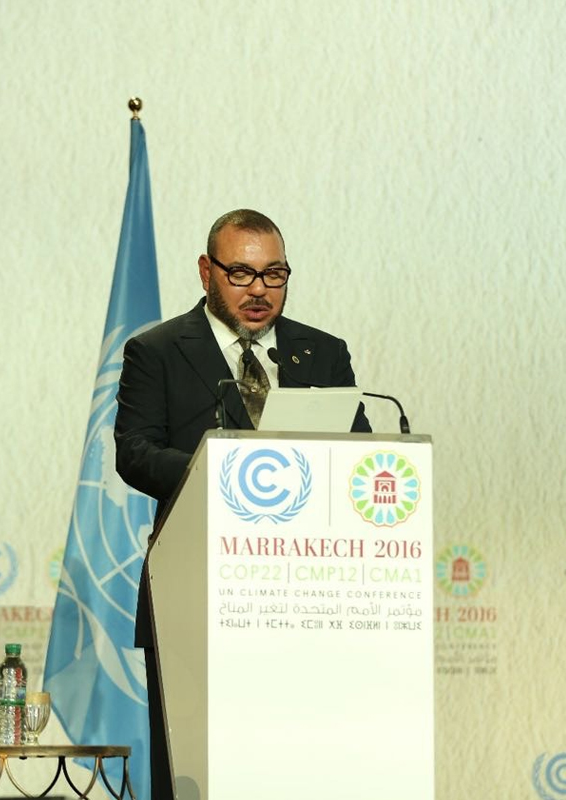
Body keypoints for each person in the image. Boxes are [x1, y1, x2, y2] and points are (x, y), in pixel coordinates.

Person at [113, 208, 370, 799]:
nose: (259, 290)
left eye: (274, 274)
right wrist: (227, 473)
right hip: (196, 593)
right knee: (197, 774)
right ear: (207, 272)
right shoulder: (157, 350)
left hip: (307, 597)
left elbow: (357, 453)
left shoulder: (322, 353)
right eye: (242, 274)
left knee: (297, 770)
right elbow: (136, 453)